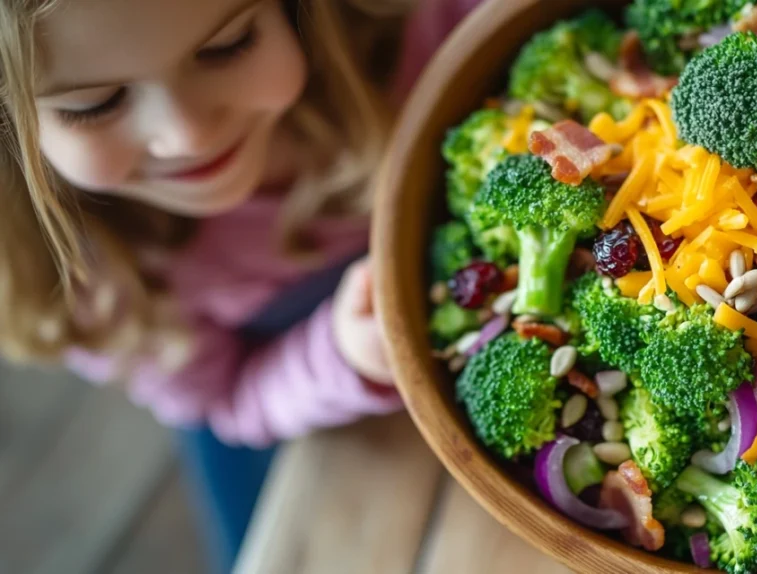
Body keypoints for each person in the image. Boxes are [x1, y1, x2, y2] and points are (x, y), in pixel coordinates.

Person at [0, 0, 479, 570]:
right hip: (298, 401)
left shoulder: (405, 26)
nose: (187, 134)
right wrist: (340, 356)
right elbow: (230, 398)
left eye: (228, 45)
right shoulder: (90, 282)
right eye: (94, 105)